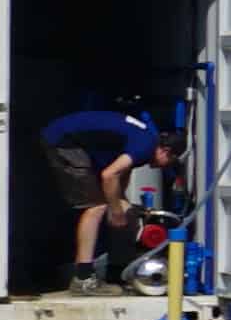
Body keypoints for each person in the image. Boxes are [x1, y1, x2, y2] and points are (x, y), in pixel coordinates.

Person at [39, 110, 173, 286]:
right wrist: (116, 211)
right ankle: (83, 277)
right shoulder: (145, 146)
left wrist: (121, 206)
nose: (164, 168)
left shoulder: (146, 138)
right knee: (96, 207)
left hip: (69, 137)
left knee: (116, 207)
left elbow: (119, 177)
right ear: (166, 151)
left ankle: (117, 269)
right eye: (171, 162)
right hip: (63, 140)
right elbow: (109, 175)